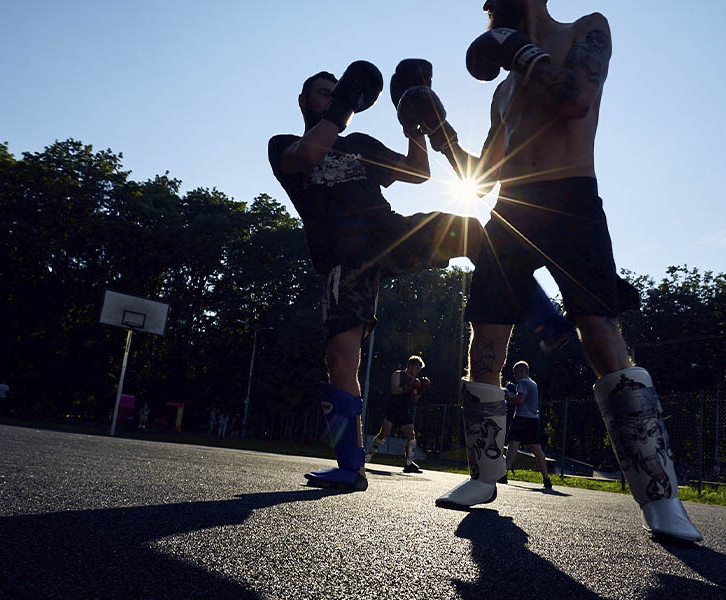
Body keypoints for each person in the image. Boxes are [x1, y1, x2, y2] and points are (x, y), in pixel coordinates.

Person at [428, 1, 703, 543]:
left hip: (572, 198)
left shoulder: (586, 31)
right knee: (485, 337)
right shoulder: (502, 90)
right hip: (512, 208)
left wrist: (520, 50)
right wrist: (438, 132)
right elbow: (484, 175)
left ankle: (658, 495)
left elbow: (575, 100)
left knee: (600, 331)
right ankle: (483, 475)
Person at [268, 59, 570, 492]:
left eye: (338, 91)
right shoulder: (284, 144)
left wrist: (413, 121)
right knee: (340, 355)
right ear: (304, 101)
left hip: (388, 235)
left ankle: (544, 314)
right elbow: (307, 156)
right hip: (343, 258)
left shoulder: (361, 143)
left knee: (472, 230)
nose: (332, 98)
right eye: (323, 92)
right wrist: (344, 105)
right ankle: (350, 467)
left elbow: (419, 171)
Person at [366, 355, 431, 473]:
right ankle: (367, 456)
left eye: (419, 370)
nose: (418, 371)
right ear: (410, 365)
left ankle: (409, 464)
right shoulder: (398, 374)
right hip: (393, 408)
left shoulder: (415, 381)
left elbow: (414, 399)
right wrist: (408, 386)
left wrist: (421, 390)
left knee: (411, 436)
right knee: (383, 434)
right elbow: (394, 390)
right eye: (417, 368)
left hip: (403, 410)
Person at [500, 361, 552, 489]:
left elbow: (520, 400)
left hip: (521, 418)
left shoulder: (523, 382)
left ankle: (504, 474)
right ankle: (546, 479)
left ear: (522, 372)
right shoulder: (533, 383)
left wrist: (508, 396)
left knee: (513, 445)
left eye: (516, 373)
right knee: (537, 450)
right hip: (533, 420)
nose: (515, 377)